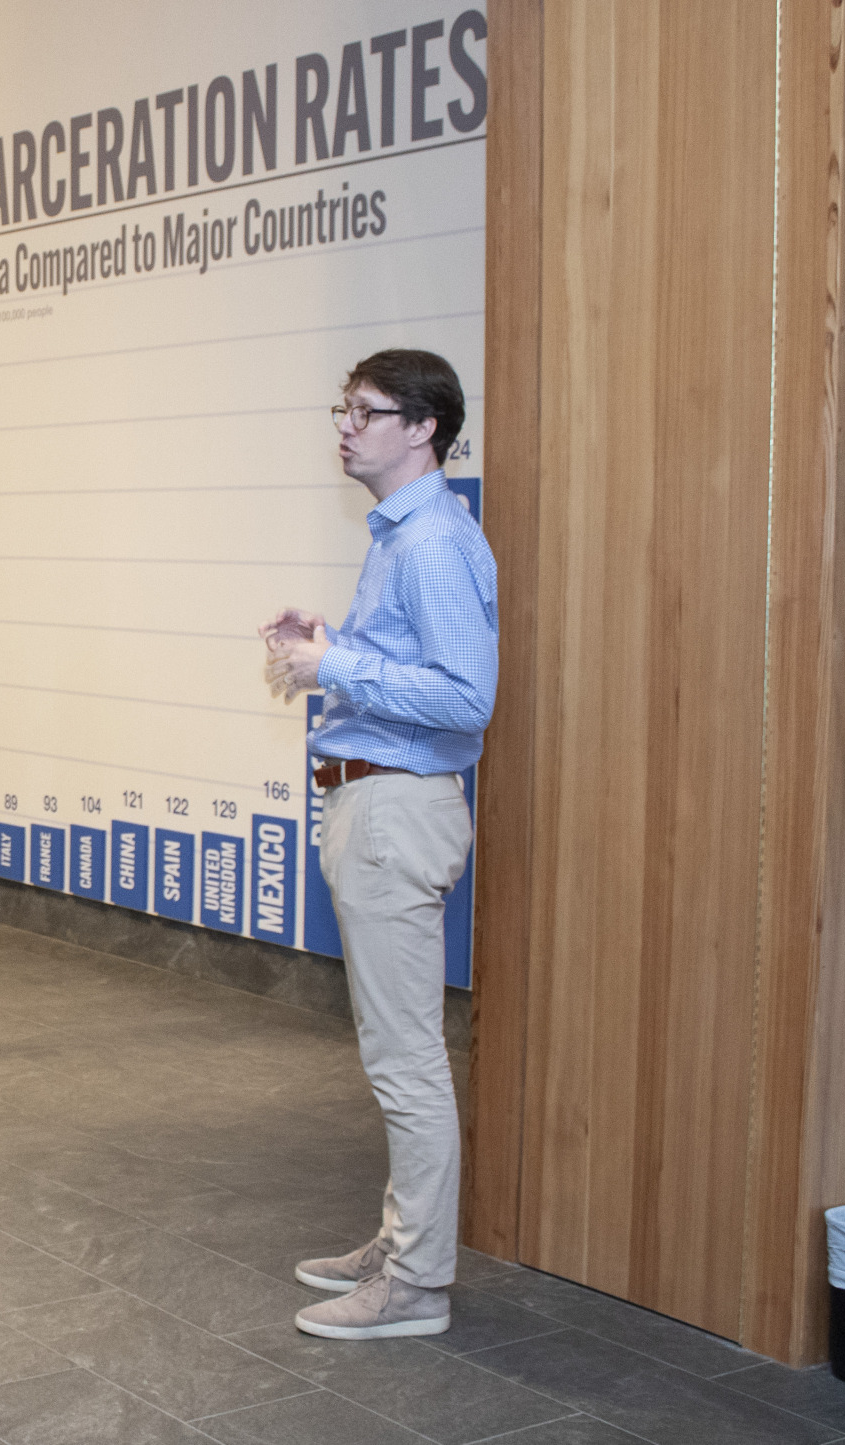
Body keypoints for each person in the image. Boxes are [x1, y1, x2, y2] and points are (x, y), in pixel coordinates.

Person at [261, 349, 496, 1341]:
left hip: (396, 811)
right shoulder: (401, 536)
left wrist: (337, 661)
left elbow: (465, 696)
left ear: (422, 428)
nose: (345, 426)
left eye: (366, 411)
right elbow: (409, 664)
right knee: (394, 1049)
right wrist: (330, 642)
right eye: (342, 408)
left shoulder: (432, 539)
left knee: (405, 1059)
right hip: (378, 806)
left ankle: (416, 1282)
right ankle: (405, 1237)